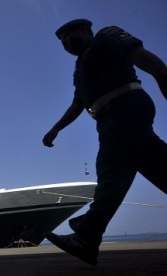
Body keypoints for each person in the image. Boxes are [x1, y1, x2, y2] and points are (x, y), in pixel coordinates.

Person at [42, 19, 167, 266]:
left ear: (87, 31)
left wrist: (164, 80)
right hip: (109, 118)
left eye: (71, 34)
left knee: (111, 173)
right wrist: (56, 129)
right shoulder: (80, 70)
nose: (66, 41)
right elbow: (77, 104)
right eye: (62, 40)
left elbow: (148, 61)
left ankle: (86, 236)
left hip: (125, 108)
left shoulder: (105, 37)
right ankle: (86, 233)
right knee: (160, 167)